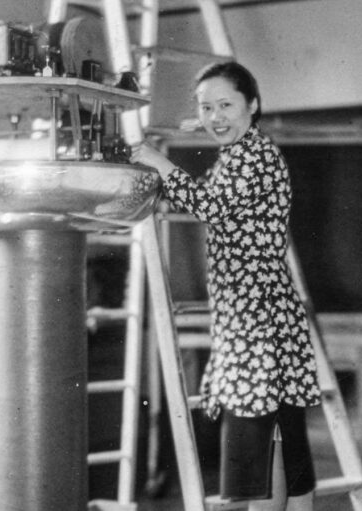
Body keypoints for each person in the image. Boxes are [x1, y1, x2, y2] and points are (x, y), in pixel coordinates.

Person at [130, 61, 322, 511]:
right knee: (282, 442)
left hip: (258, 324)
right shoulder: (239, 154)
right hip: (258, 320)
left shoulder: (253, 156)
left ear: (252, 105)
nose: (216, 117)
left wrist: (158, 161)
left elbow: (211, 206)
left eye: (226, 105)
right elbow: (208, 199)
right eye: (206, 108)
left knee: (261, 447)